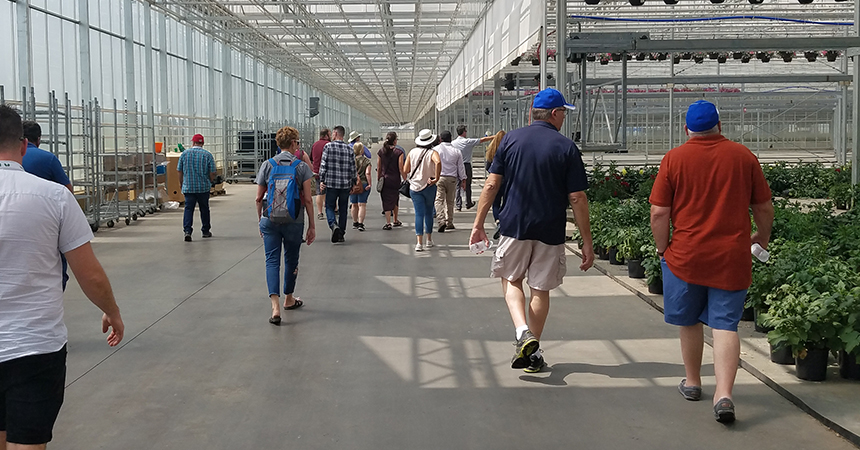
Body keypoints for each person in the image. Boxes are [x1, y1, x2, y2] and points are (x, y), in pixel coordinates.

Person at [0, 105, 124, 449]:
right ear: (24, 146)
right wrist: (112, 310)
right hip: (35, 348)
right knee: (27, 443)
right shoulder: (54, 197)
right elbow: (90, 274)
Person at [649, 100, 773, 424]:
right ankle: (725, 394)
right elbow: (763, 206)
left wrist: (663, 248)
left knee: (689, 320)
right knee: (725, 325)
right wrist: (762, 236)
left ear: (686, 129)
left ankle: (692, 382)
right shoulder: (743, 157)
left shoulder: (674, 159)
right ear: (720, 125)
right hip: (731, 257)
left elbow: (659, 211)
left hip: (685, 257)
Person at [469, 88, 594, 374]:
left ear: (530, 113)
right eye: (563, 112)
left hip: (513, 225)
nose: (564, 117)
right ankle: (533, 348)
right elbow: (577, 198)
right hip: (550, 229)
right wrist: (587, 241)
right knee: (540, 288)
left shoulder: (511, 140)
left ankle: (522, 332)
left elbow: (491, 185)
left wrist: (478, 224)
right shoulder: (566, 147)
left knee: (510, 279)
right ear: (554, 114)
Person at [255, 126, 316, 326]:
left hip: (269, 219)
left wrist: (260, 220)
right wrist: (312, 226)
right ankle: (289, 298)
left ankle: (275, 307)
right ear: (292, 144)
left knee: (272, 261)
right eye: (297, 142)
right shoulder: (301, 167)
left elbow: (258, 198)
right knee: (291, 260)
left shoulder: (267, 165)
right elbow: (307, 199)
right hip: (294, 220)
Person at [21, 120, 74, 291]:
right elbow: (68, 192)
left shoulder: (10, 159)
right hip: (44, 222)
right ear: (38, 139)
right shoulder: (48, 158)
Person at [404, 129, 442, 252]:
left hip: (415, 188)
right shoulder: (432, 152)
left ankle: (419, 243)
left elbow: (405, 169)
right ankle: (429, 240)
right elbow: (438, 162)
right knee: (429, 212)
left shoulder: (412, 152)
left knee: (418, 214)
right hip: (429, 186)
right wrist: (436, 178)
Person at [319, 125, 357, 243]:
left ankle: (333, 225)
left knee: (329, 206)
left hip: (331, 183)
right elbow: (353, 168)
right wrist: (353, 182)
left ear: (335, 133)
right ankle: (341, 233)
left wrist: (322, 180)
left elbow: (323, 165)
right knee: (343, 209)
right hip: (345, 185)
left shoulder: (328, 147)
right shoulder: (349, 149)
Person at [177, 134, 216, 241]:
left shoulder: (184, 154)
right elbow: (212, 172)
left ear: (193, 142)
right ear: (202, 143)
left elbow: (179, 170)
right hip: (203, 188)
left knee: (189, 209)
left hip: (188, 187)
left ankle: (187, 231)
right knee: (204, 209)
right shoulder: (207, 155)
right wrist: (210, 180)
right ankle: (205, 231)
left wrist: (181, 183)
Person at [452, 125, 493, 211]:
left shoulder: (453, 143)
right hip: (466, 165)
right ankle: (468, 202)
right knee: (467, 185)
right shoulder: (468, 141)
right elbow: (482, 140)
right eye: (466, 131)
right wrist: (494, 137)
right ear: (463, 132)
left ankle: (458, 205)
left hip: (457, 166)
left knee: (458, 185)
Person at [433, 130, 466, 233]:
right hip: (452, 178)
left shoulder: (435, 150)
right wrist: (463, 179)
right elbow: (460, 167)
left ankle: (441, 220)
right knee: (450, 201)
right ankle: (449, 222)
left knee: (439, 200)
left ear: (440, 139)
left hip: (439, 177)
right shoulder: (456, 151)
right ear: (451, 138)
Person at [377, 132, 405, 230]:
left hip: (385, 179)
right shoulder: (399, 152)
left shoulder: (381, 152)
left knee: (386, 200)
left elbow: (379, 167)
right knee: (395, 199)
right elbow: (401, 168)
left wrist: (379, 178)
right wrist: (405, 178)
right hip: (395, 179)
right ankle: (395, 220)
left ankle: (388, 222)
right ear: (394, 141)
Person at [484, 130, 506, 239]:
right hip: (507, 181)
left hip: (495, 181)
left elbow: (487, 167)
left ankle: (498, 221)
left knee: (495, 203)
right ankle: (504, 221)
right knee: (506, 202)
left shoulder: (491, 150)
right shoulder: (508, 149)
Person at [350, 143, 373, 232]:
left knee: (354, 204)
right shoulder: (366, 161)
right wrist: (369, 184)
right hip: (363, 184)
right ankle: (360, 223)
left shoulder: (350, 160)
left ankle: (355, 222)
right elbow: (368, 173)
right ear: (361, 150)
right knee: (362, 204)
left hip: (352, 184)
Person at [310, 128, 331, 221]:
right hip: (327, 171)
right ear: (326, 135)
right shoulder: (328, 145)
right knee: (329, 191)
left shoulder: (315, 144)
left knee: (319, 192)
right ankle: (331, 209)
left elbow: (311, 157)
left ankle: (319, 212)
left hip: (317, 171)